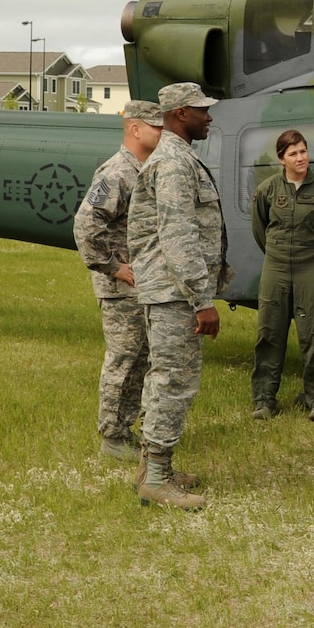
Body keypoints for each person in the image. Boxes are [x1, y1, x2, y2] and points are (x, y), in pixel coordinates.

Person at [131, 81, 229, 509]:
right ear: (181, 114)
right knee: (174, 382)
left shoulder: (176, 156)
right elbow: (178, 234)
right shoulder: (172, 162)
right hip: (176, 293)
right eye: (203, 110)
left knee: (162, 379)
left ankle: (155, 469)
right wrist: (201, 299)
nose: (210, 117)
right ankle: (155, 480)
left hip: (171, 291)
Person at [72, 98, 182, 470]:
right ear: (135, 129)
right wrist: (114, 267)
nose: (163, 133)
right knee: (125, 359)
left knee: (141, 359)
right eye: (157, 127)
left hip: (142, 285)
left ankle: (126, 427)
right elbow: (85, 226)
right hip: (122, 289)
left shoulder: (145, 169)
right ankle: (113, 436)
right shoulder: (116, 172)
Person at [250, 128, 314, 422]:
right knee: (269, 333)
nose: (301, 157)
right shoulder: (267, 190)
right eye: (293, 153)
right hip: (275, 267)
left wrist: (311, 258)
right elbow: (260, 229)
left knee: (312, 336)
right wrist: (279, 254)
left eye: (303, 151)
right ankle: (264, 399)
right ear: (282, 159)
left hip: (311, 266)